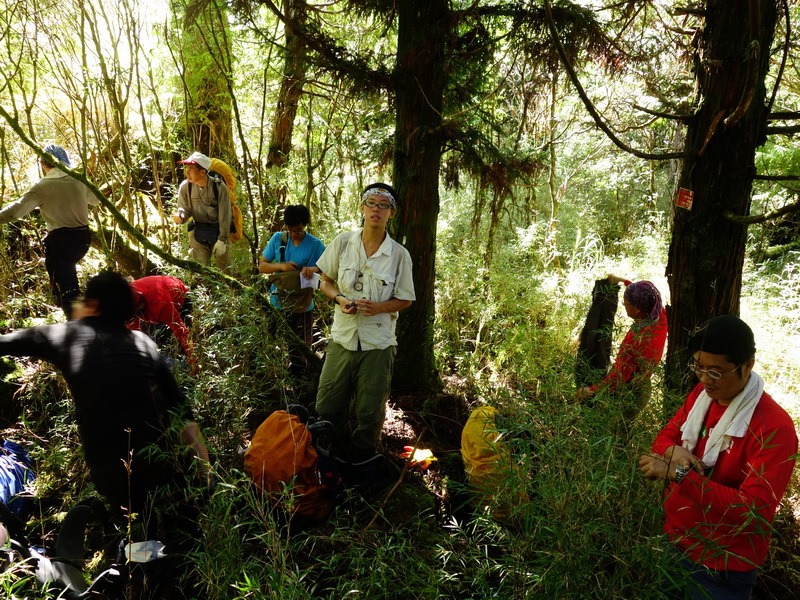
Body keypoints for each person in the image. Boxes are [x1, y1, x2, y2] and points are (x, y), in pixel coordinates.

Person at [0, 272, 210, 592]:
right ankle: (176, 570)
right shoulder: (143, 342)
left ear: (93, 304)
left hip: (111, 469)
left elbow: (8, 342)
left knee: (139, 532)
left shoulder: (66, 335)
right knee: (176, 528)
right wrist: (203, 463)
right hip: (161, 461)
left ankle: (149, 573)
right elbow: (182, 411)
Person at [639, 315, 797, 600]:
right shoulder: (702, 396)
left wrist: (678, 475)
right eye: (698, 367)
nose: (704, 379)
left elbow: (754, 512)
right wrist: (675, 452)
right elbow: (665, 438)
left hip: (722, 564)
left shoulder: (774, 428)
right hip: (675, 540)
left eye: (716, 371)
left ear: (747, 365)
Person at [315, 183, 415, 465]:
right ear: (362, 208)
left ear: (391, 214)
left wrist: (379, 307)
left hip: (378, 342)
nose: (376, 209)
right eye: (371, 203)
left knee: (370, 411)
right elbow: (325, 281)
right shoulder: (343, 242)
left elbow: (406, 299)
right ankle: (335, 454)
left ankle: (361, 462)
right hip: (342, 337)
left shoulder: (398, 255)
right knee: (329, 403)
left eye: (383, 205)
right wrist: (339, 299)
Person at [0, 144, 99, 319]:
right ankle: (83, 320)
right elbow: (95, 201)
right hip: (83, 239)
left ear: (42, 164)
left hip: (61, 241)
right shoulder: (79, 179)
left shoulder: (43, 186)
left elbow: (16, 211)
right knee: (69, 282)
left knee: (66, 290)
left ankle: (79, 328)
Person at [576, 277, 668, 434]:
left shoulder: (636, 343)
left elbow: (618, 379)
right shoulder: (659, 316)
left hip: (630, 391)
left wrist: (590, 390)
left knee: (618, 432)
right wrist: (623, 281)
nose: (624, 306)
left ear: (637, 308)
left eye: (626, 304)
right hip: (642, 385)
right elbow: (644, 291)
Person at [258, 205, 326, 349]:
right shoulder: (278, 239)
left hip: (303, 304)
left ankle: (302, 370)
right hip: (278, 301)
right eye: (290, 229)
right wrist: (280, 266)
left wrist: (313, 269)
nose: (294, 233)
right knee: (275, 344)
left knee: (301, 348)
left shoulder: (315, 245)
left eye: (299, 230)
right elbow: (262, 266)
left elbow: (330, 269)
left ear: (305, 225)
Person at [172, 151, 231, 271]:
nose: (187, 172)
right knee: (200, 271)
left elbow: (225, 215)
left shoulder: (219, 187)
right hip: (198, 232)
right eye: (187, 168)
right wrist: (181, 216)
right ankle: (204, 289)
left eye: (191, 169)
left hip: (219, 232)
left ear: (203, 172)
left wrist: (222, 240)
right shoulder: (185, 187)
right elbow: (184, 209)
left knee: (225, 271)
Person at [128, 274, 194, 368]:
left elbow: (182, 332)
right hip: (153, 307)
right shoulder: (126, 298)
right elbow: (134, 334)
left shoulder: (161, 304)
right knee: (150, 344)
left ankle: (184, 367)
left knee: (178, 345)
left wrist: (194, 361)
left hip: (179, 299)